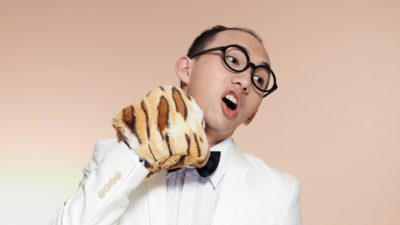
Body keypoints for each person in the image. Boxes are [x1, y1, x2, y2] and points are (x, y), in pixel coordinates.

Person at [50, 25, 302, 225]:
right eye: (233, 61)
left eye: (259, 79)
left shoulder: (278, 192)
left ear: (253, 113)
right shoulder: (114, 157)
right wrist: (138, 151)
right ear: (185, 69)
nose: (245, 82)